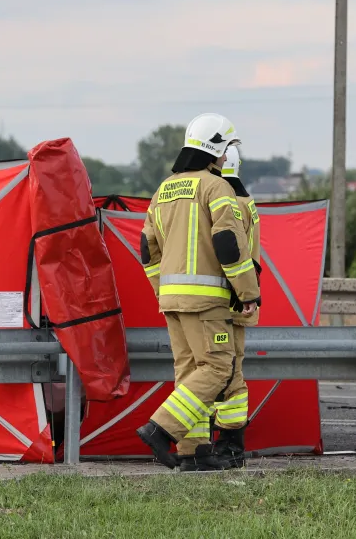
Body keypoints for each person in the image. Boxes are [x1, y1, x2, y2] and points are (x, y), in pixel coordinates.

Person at [135, 114, 261, 471]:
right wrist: (247, 292)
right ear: (217, 148)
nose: (227, 158)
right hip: (207, 301)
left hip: (172, 301)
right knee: (219, 368)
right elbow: (228, 245)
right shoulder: (216, 187)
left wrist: (164, 290)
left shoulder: (164, 189)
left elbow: (148, 248)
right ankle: (161, 429)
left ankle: (194, 453)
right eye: (227, 150)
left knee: (190, 372)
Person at [210, 144, 261, 469]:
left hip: (226, 303)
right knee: (228, 373)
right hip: (241, 302)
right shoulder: (248, 202)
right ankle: (227, 445)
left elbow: (229, 253)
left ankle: (229, 446)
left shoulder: (227, 202)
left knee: (225, 377)